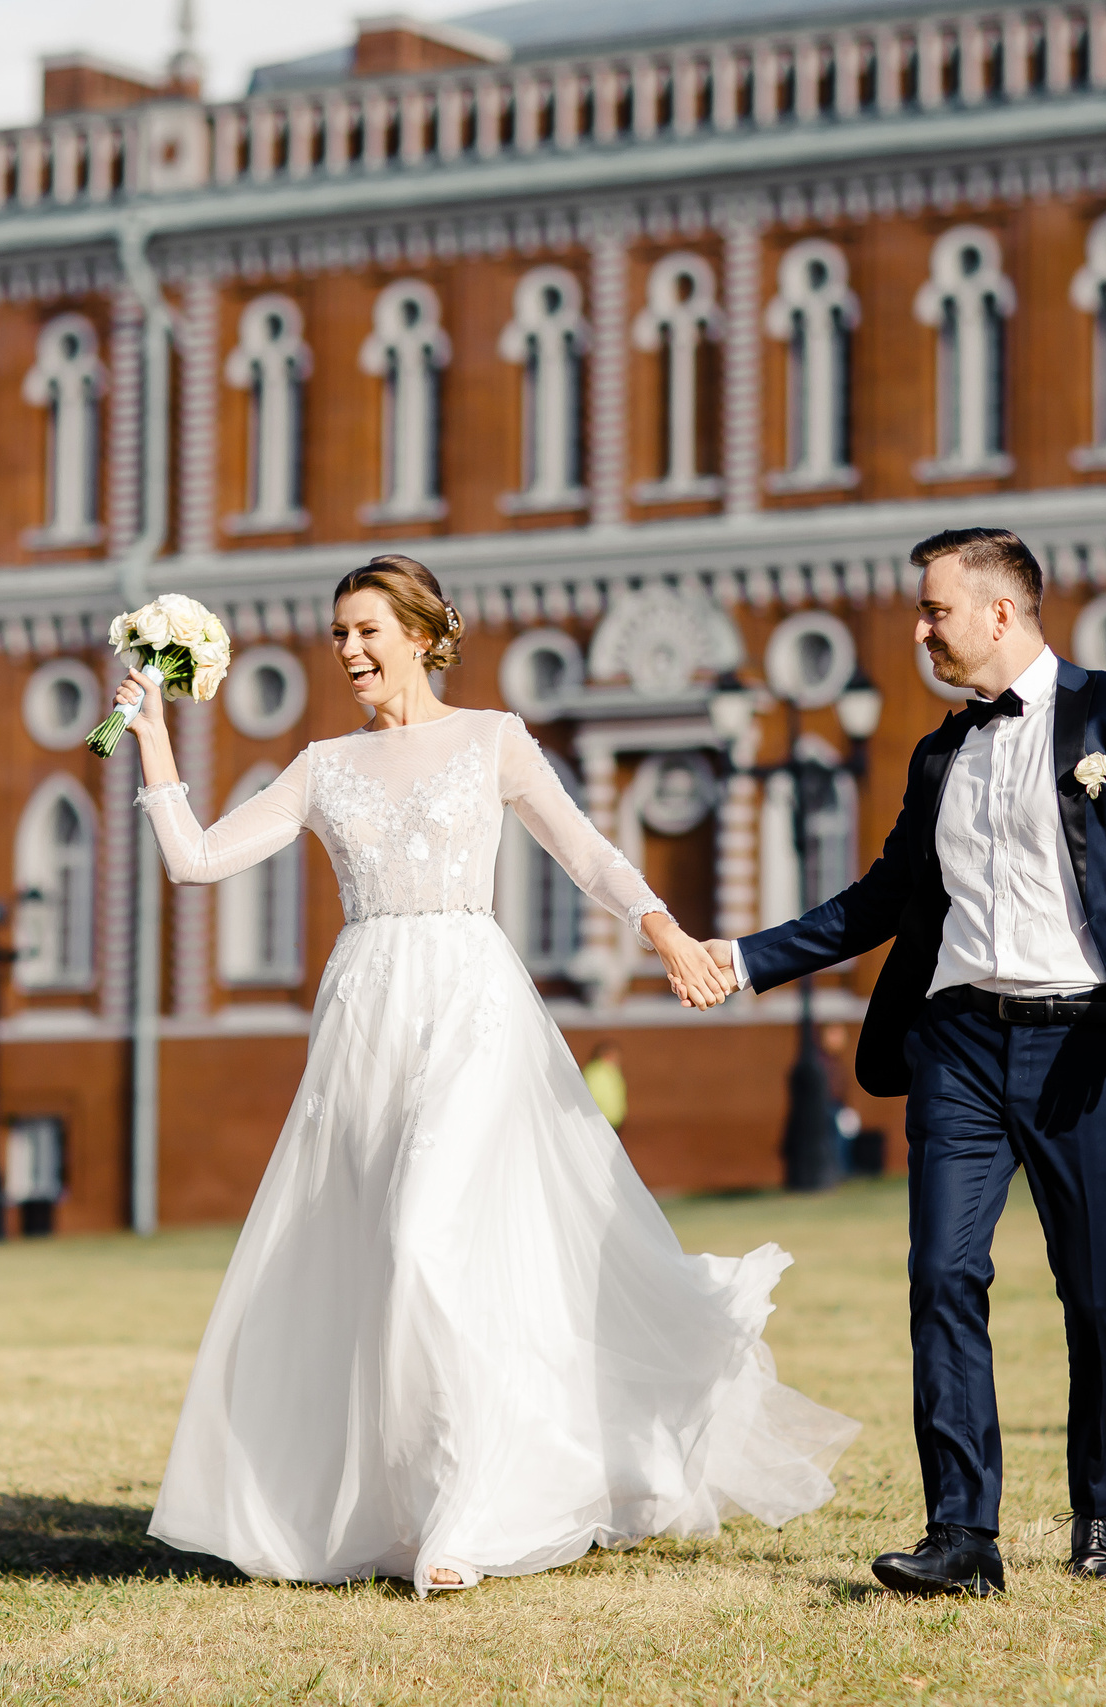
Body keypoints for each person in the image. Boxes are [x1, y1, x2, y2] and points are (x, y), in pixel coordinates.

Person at [116, 554, 859, 1595]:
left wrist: (664, 932)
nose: (349, 651)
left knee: (426, 1238)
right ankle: (407, 1501)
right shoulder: (321, 766)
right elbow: (194, 860)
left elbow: (588, 854)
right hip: (365, 1017)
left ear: (422, 636)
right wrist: (153, 737)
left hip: (471, 1005)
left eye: (368, 630)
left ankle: (467, 1513)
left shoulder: (492, 739)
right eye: (338, 635)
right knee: (376, 1256)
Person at [703, 527, 1106, 1595]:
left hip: (1087, 1041)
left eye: (934, 611)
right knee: (941, 1273)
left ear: (1000, 611)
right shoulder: (940, 754)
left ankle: (1098, 1512)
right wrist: (742, 959)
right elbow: (881, 899)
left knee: (1095, 1287)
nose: (919, 632)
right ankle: (962, 1535)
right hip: (958, 1043)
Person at [581, 1040, 627, 1132]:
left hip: (611, 1123)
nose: (618, 1059)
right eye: (614, 1055)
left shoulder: (612, 1071)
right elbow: (589, 1098)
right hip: (599, 1123)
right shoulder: (595, 1072)